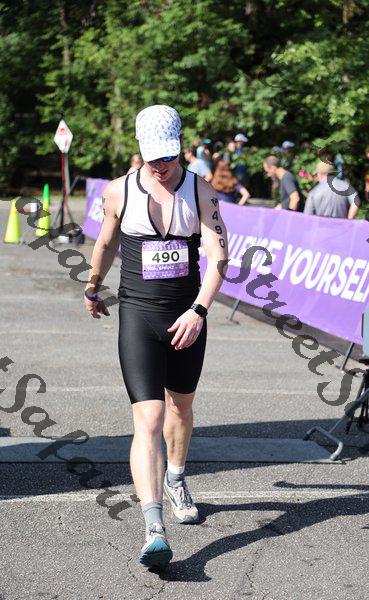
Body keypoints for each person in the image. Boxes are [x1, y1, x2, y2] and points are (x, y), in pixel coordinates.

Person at [84, 104, 228, 569]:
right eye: (152, 158)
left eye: (168, 157)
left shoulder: (201, 191)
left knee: (180, 407)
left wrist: (199, 311)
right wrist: (92, 285)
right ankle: (154, 528)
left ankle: (177, 479)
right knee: (148, 418)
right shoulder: (118, 191)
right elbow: (105, 243)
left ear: (180, 147)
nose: (160, 166)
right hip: (138, 317)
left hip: (187, 317)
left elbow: (219, 258)